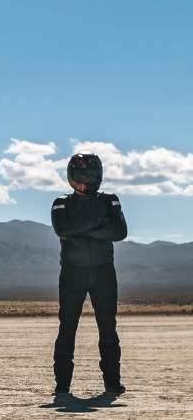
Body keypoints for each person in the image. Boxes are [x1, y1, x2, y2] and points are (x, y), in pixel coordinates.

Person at [51, 152, 127, 399]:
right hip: (73, 273)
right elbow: (63, 229)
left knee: (108, 328)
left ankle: (113, 383)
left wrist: (81, 230)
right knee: (67, 327)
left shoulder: (110, 201)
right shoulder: (62, 203)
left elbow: (119, 232)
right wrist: (98, 224)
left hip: (103, 272)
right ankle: (62, 386)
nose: (85, 182)